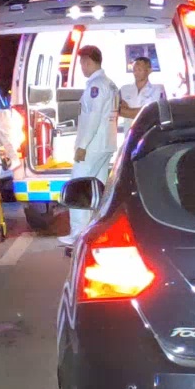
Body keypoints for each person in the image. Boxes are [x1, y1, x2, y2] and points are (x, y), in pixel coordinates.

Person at [62, 45, 121, 249]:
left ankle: (77, 233)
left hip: (93, 145)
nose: (82, 68)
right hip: (106, 143)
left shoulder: (96, 86)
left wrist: (82, 145)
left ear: (88, 62)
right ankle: (96, 230)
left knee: (79, 186)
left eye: (82, 64)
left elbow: (93, 118)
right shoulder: (110, 84)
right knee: (98, 190)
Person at [117, 55, 165, 126]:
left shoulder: (158, 89)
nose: (136, 73)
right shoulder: (124, 89)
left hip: (148, 131)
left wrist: (127, 110)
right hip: (129, 131)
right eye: (134, 70)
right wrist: (142, 111)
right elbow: (117, 110)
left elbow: (151, 113)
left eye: (139, 69)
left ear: (149, 71)